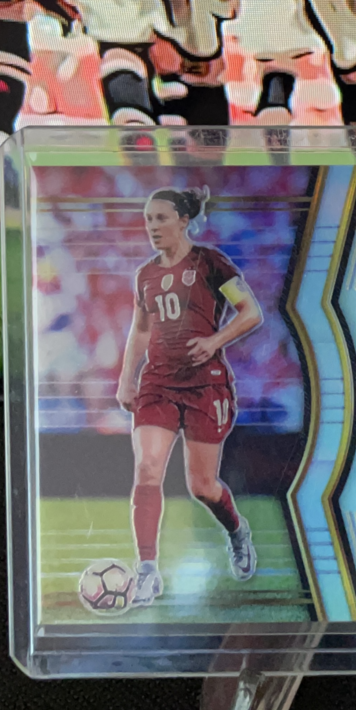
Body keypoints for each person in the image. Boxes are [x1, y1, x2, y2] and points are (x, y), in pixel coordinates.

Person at [116, 186, 263, 605]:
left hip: (205, 384)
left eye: (161, 218)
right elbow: (140, 330)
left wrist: (214, 341)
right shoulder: (145, 276)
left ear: (183, 221)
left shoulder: (209, 263)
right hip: (158, 384)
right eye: (148, 219)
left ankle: (237, 531)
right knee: (147, 469)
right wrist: (126, 379)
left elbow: (251, 312)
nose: (152, 227)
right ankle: (147, 571)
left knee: (202, 486)